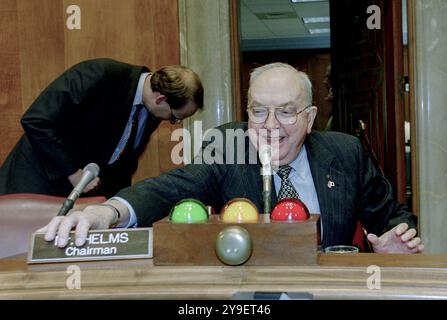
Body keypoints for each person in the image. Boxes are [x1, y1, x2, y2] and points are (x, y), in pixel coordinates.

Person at [40, 62, 423, 254]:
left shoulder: (344, 151)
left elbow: (391, 215)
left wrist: (394, 238)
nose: (270, 125)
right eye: (258, 111)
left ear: (309, 119)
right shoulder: (229, 144)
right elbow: (173, 185)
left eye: (287, 112)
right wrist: (108, 211)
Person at [0, 58, 203, 198]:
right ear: (161, 98)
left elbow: (121, 165)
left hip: (76, 203)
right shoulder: (99, 75)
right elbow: (36, 121)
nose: (171, 122)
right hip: (32, 187)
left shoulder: (151, 111)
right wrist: (74, 173)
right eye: (174, 118)